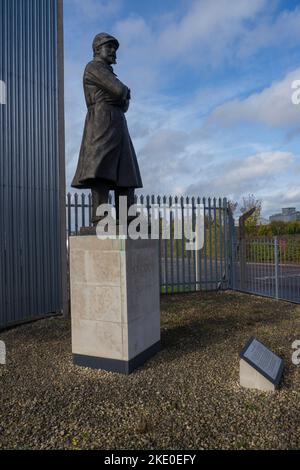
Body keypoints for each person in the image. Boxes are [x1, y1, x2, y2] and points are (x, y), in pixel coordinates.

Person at [71, 33, 143, 225]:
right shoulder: (94, 67)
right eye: (109, 47)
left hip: (118, 122)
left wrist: (121, 96)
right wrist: (124, 93)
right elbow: (120, 91)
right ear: (97, 49)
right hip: (101, 121)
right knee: (101, 167)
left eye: (114, 48)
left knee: (125, 170)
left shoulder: (108, 71)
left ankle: (126, 214)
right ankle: (100, 214)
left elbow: (125, 105)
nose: (113, 51)